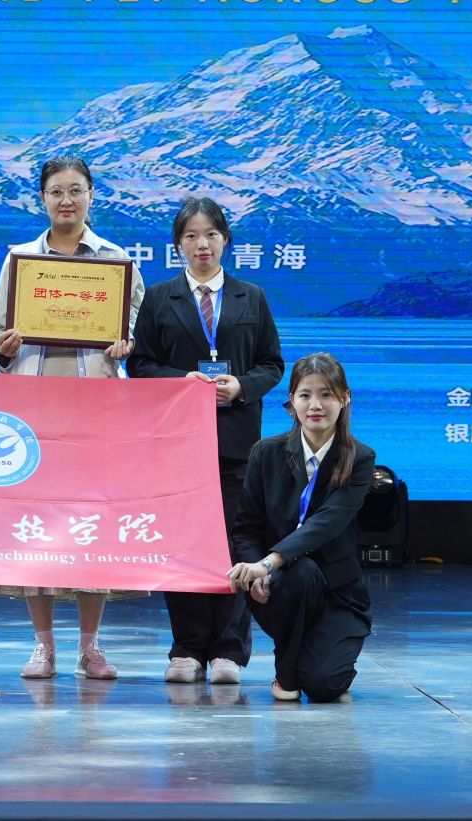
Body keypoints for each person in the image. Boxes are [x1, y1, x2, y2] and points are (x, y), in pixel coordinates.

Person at [0, 155, 146, 680]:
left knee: (89, 526)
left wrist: (126, 345)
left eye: (76, 190)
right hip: (33, 414)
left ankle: (90, 647)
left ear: (92, 195)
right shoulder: (20, 260)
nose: (66, 200)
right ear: (42, 199)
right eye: (56, 191)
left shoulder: (117, 262)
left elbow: (134, 332)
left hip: (96, 413)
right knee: (37, 528)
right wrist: (4, 348)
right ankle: (43, 645)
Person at [127, 196, 283, 685]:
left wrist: (241, 386)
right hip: (178, 442)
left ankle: (229, 651)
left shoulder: (251, 296)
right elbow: (140, 365)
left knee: (238, 541)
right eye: (191, 236)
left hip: (238, 441)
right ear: (178, 245)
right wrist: (185, 382)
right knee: (184, 544)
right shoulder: (160, 298)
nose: (202, 244)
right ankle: (187, 647)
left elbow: (272, 364)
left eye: (211, 234)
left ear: (226, 241)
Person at [229, 351, 374, 703]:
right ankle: (286, 671)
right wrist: (258, 572)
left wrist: (268, 562)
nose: (315, 405)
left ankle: (319, 661)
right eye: (305, 394)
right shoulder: (266, 453)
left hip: (337, 593)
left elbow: (327, 522)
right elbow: (245, 529)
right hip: (280, 589)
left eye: (326, 394)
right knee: (302, 572)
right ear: (292, 400)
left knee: (325, 686)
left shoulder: (359, 458)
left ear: (345, 398)